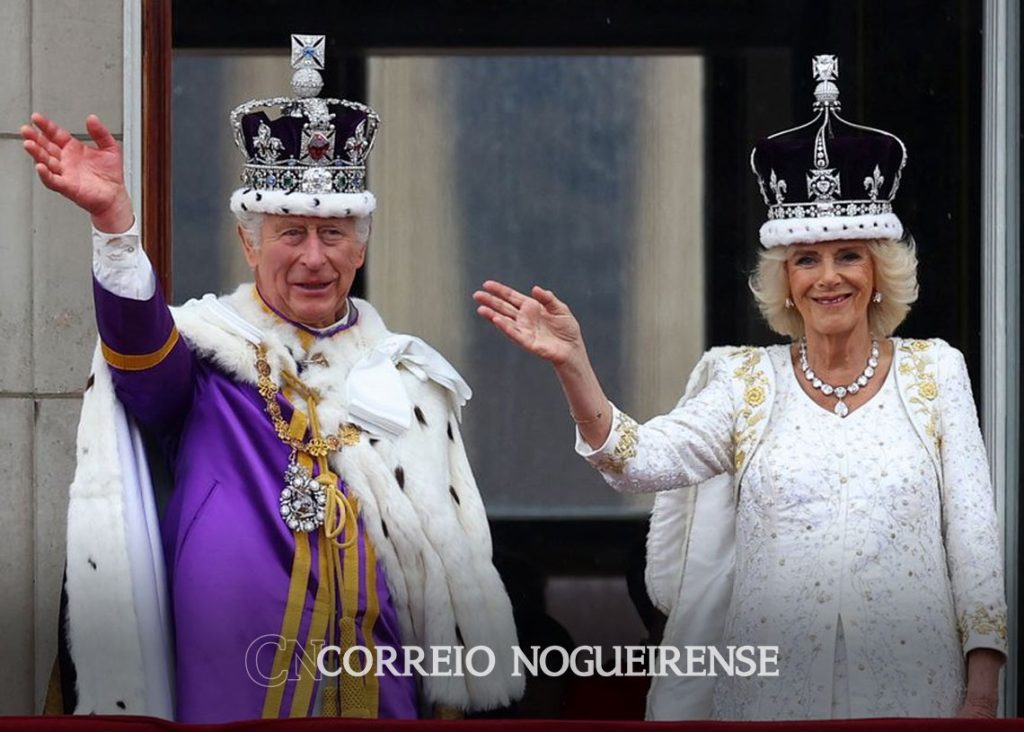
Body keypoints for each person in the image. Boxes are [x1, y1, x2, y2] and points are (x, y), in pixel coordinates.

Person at [474, 55, 1006, 720]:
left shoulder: (935, 373)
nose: (828, 277)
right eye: (806, 259)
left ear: (879, 271)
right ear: (785, 280)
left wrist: (982, 689)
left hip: (913, 692)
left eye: (849, 255)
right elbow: (634, 461)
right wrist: (574, 363)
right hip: (770, 699)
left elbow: (975, 540)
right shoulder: (745, 383)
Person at [24, 34, 522, 722]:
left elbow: (443, 564)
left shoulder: (409, 379)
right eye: (291, 233)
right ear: (248, 242)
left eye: (335, 233)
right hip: (231, 687)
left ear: (362, 245)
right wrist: (115, 227)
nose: (314, 257)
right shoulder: (205, 356)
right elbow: (137, 353)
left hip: (377, 685)